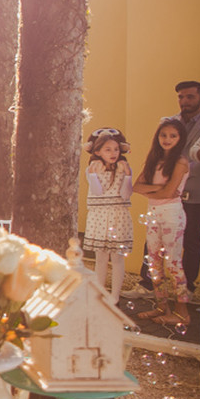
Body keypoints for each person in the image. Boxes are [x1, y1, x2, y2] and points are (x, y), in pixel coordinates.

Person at [133, 118, 191, 325]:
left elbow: (168, 192)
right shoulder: (154, 161)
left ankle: (182, 313)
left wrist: (153, 190)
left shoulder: (181, 162)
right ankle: (161, 307)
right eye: (163, 135)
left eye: (172, 136)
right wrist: (158, 190)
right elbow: (135, 187)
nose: (167, 139)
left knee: (173, 263)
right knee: (154, 263)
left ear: (180, 139)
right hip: (153, 213)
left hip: (171, 214)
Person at [81, 128, 133, 302]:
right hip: (99, 216)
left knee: (117, 258)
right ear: (97, 152)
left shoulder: (123, 168)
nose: (113, 153)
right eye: (108, 149)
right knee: (101, 258)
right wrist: (94, 175)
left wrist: (127, 176)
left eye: (116, 149)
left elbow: (126, 195)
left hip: (118, 216)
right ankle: (99, 294)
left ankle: (115, 297)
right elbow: (97, 192)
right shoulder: (92, 169)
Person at [173, 80, 200, 293]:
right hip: (170, 191)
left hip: (197, 190)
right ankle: (147, 284)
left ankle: (187, 288)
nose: (184, 101)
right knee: (156, 237)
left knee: (191, 239)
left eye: (190, 97)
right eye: (181, 97)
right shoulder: (170, 122)